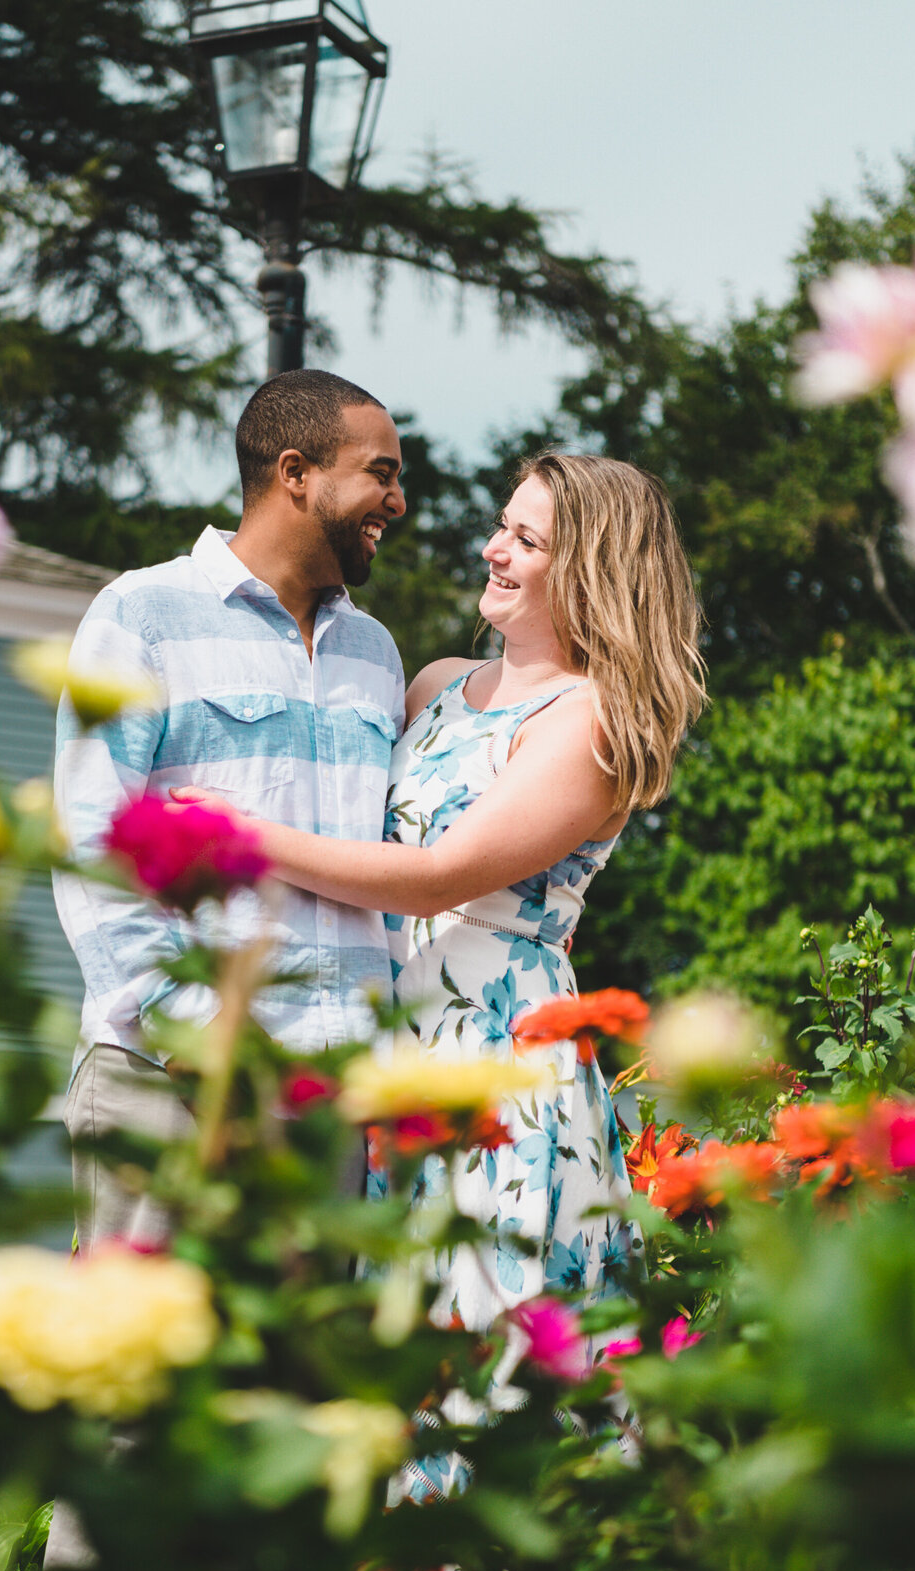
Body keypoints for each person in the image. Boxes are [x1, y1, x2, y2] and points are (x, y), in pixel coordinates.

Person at [170, 451, 707, 1499]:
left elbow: (434, 878)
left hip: (499, 1068)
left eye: (528, 540)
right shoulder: (434, 689)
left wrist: (243, 835)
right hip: (397, 1054)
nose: (493, 549)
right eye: (503, 526)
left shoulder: (589, 721)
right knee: (395, 1345)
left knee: (487, 1350)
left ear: (589, 571)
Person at [42, 369, 407, 1571]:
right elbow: (94, 847)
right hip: (168, 1082)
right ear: (295, 471)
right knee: (128, 1419)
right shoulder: (141, 614)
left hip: (327, 1105)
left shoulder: (373, 654)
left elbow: (384, 874)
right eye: (382, 469)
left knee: (296, 1427)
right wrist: (190, 1033)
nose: (399, 499)